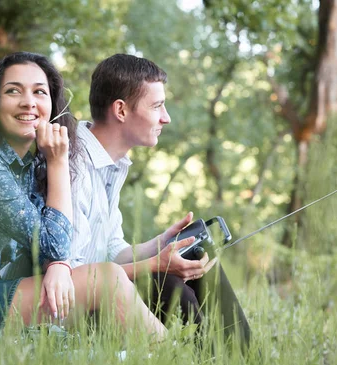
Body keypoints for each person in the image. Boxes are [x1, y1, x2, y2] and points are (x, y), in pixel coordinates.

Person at [0, 52, 166, 354]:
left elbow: (52, 248)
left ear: (53, 105)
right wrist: (58, 164)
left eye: (39, 92)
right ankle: (175, 358)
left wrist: (57, 263)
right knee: (106, 280)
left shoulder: (26, 166)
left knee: (118, 284)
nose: (29, 102)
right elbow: (51, 243)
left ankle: (165, 357)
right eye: (13, 90)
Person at [70, 54, 251, 348]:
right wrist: (155, 265)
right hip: (70, 310)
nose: (166, 117)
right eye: (156, 106)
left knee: (197, 263)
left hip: (104, 290)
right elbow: (74, 275)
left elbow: (112, 251)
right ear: (121, 110)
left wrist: (161, 245)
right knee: (166, 281)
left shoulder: (110, 164)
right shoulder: (74, 166)